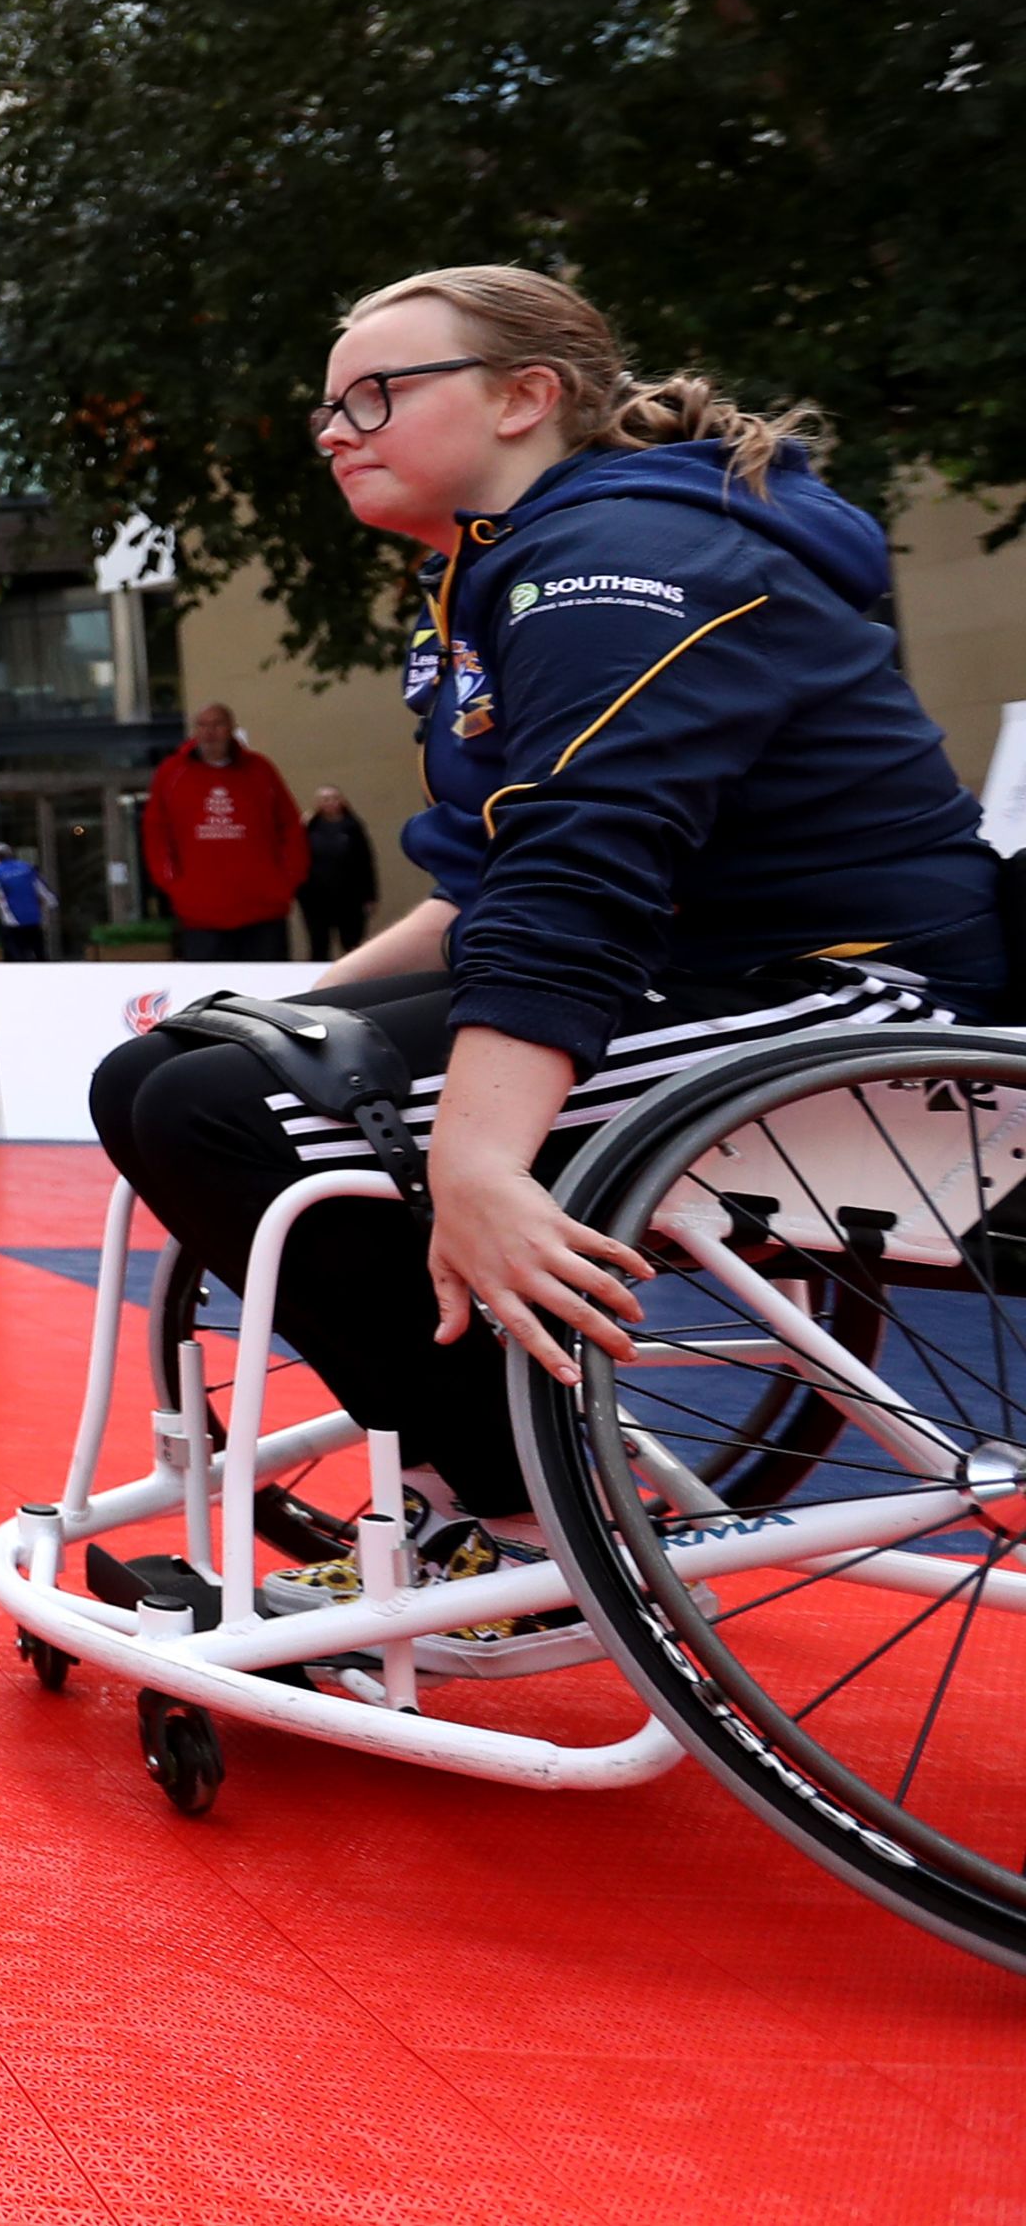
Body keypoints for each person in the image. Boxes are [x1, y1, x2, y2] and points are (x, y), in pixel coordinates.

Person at [92, 264, 1003, 1638]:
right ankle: (484, 1474)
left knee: (225, 1114)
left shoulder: (618, 559)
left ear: (526, 396)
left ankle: (526, 1520)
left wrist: (475, 1158)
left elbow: (581, 867)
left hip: (860, 992)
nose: (334, 429)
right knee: (159, 1077)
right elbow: (486, 886)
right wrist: (276, 1013)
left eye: (375, 394)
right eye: (327, 405)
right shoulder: (501, 567)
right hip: (697, 967)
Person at [142, 703, 309, 959]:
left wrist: (286, 881)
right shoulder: (172, 773)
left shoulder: (259, 770)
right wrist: (174, 885)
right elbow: (156, 833)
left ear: (231, 728)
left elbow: (289, 827)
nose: (210, 732)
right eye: (202, 725)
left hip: (263, 910)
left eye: (217, 724)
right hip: (200, 913)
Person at [300, 787, 379, 960]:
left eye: (334, 798)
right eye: (325, 799)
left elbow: (366, 862)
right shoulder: (308, 828)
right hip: (316, 897)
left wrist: (370, 896)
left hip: (350, 897)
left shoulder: (353, 827)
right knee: (319, 945)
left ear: (342, 801)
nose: (330, 803)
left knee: (352, 944)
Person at [0, 841, 50, 962]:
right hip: (34, 919)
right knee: (40, 954)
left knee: (16, 957)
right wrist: (51, 902)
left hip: (13, 921)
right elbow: (44, 890)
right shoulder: (27, 868)